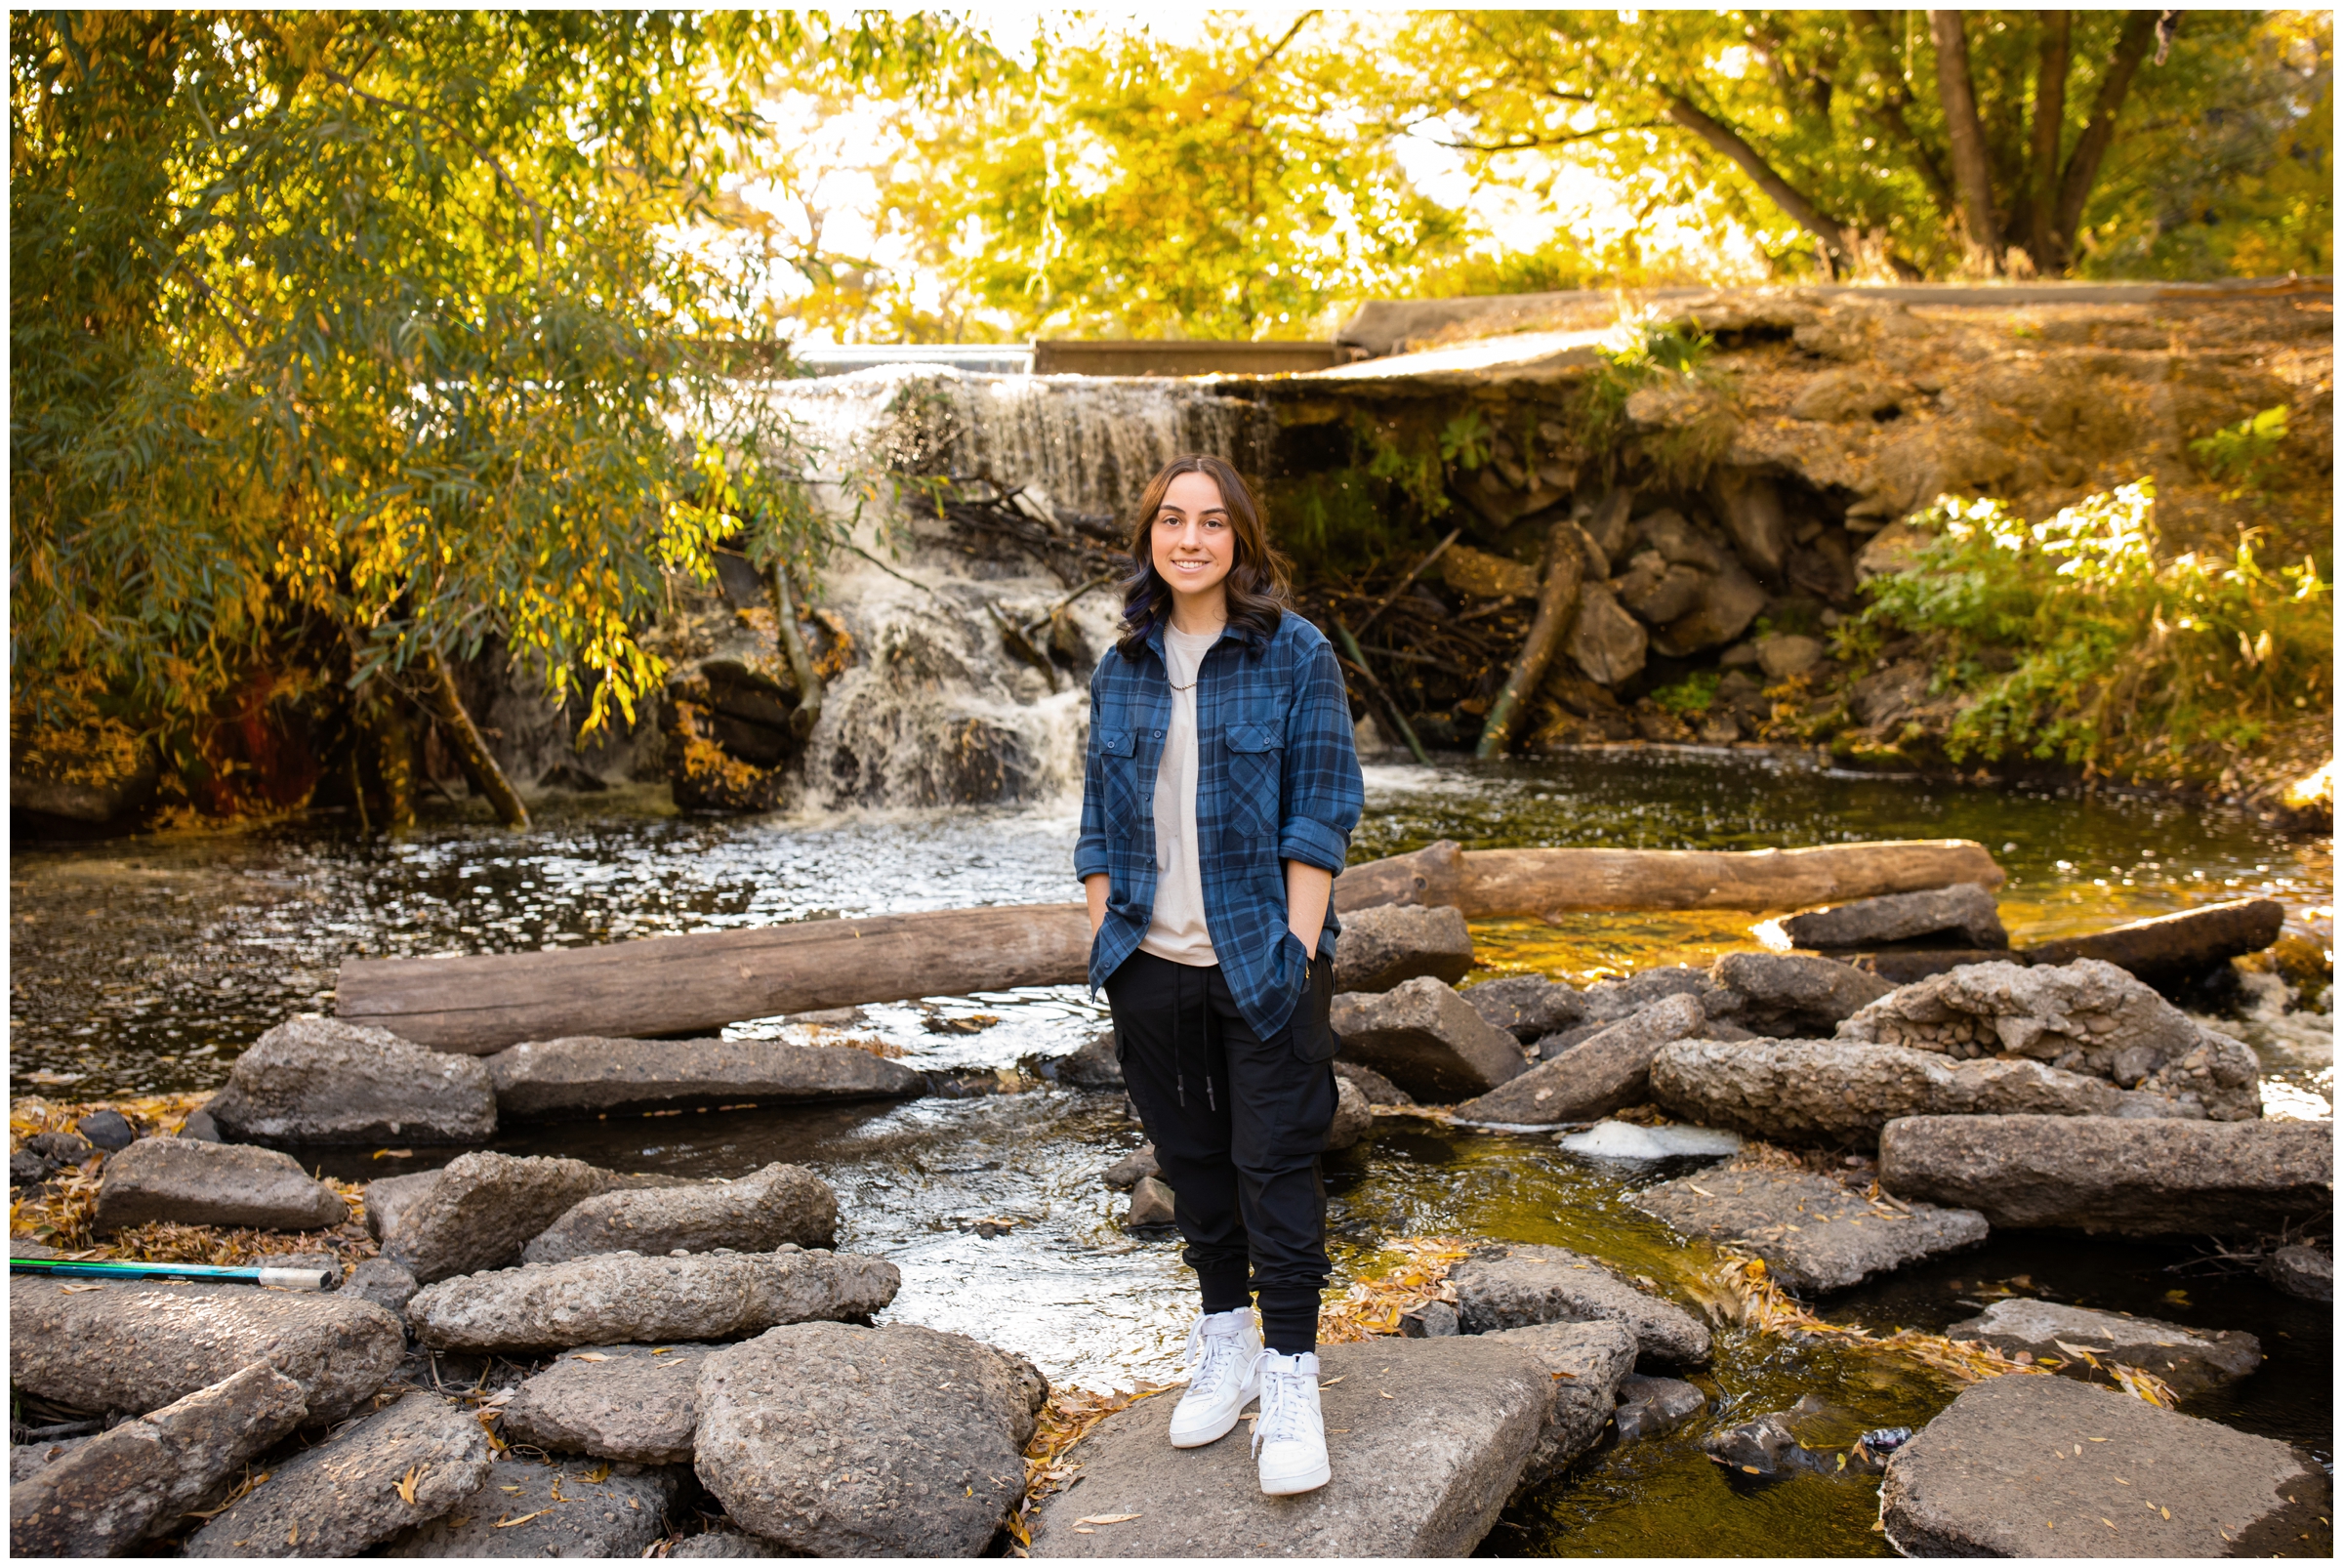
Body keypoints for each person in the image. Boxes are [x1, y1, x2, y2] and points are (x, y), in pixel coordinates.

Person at [1075, 452, 1364, 1497]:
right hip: (1148, 958)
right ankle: (1226, 1342)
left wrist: (1296, 947)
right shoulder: (1125, 665)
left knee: (1276, 1165)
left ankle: (1291, 1376)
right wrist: (1108, 935)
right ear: (1150, 536)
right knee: (1192, 1165)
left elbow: (1322, 806)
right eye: (1170, 521)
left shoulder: (1295, 655)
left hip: (1264, 955)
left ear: (1239, 540)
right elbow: (1099, 816)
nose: (1189, 539)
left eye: (1210, 523)